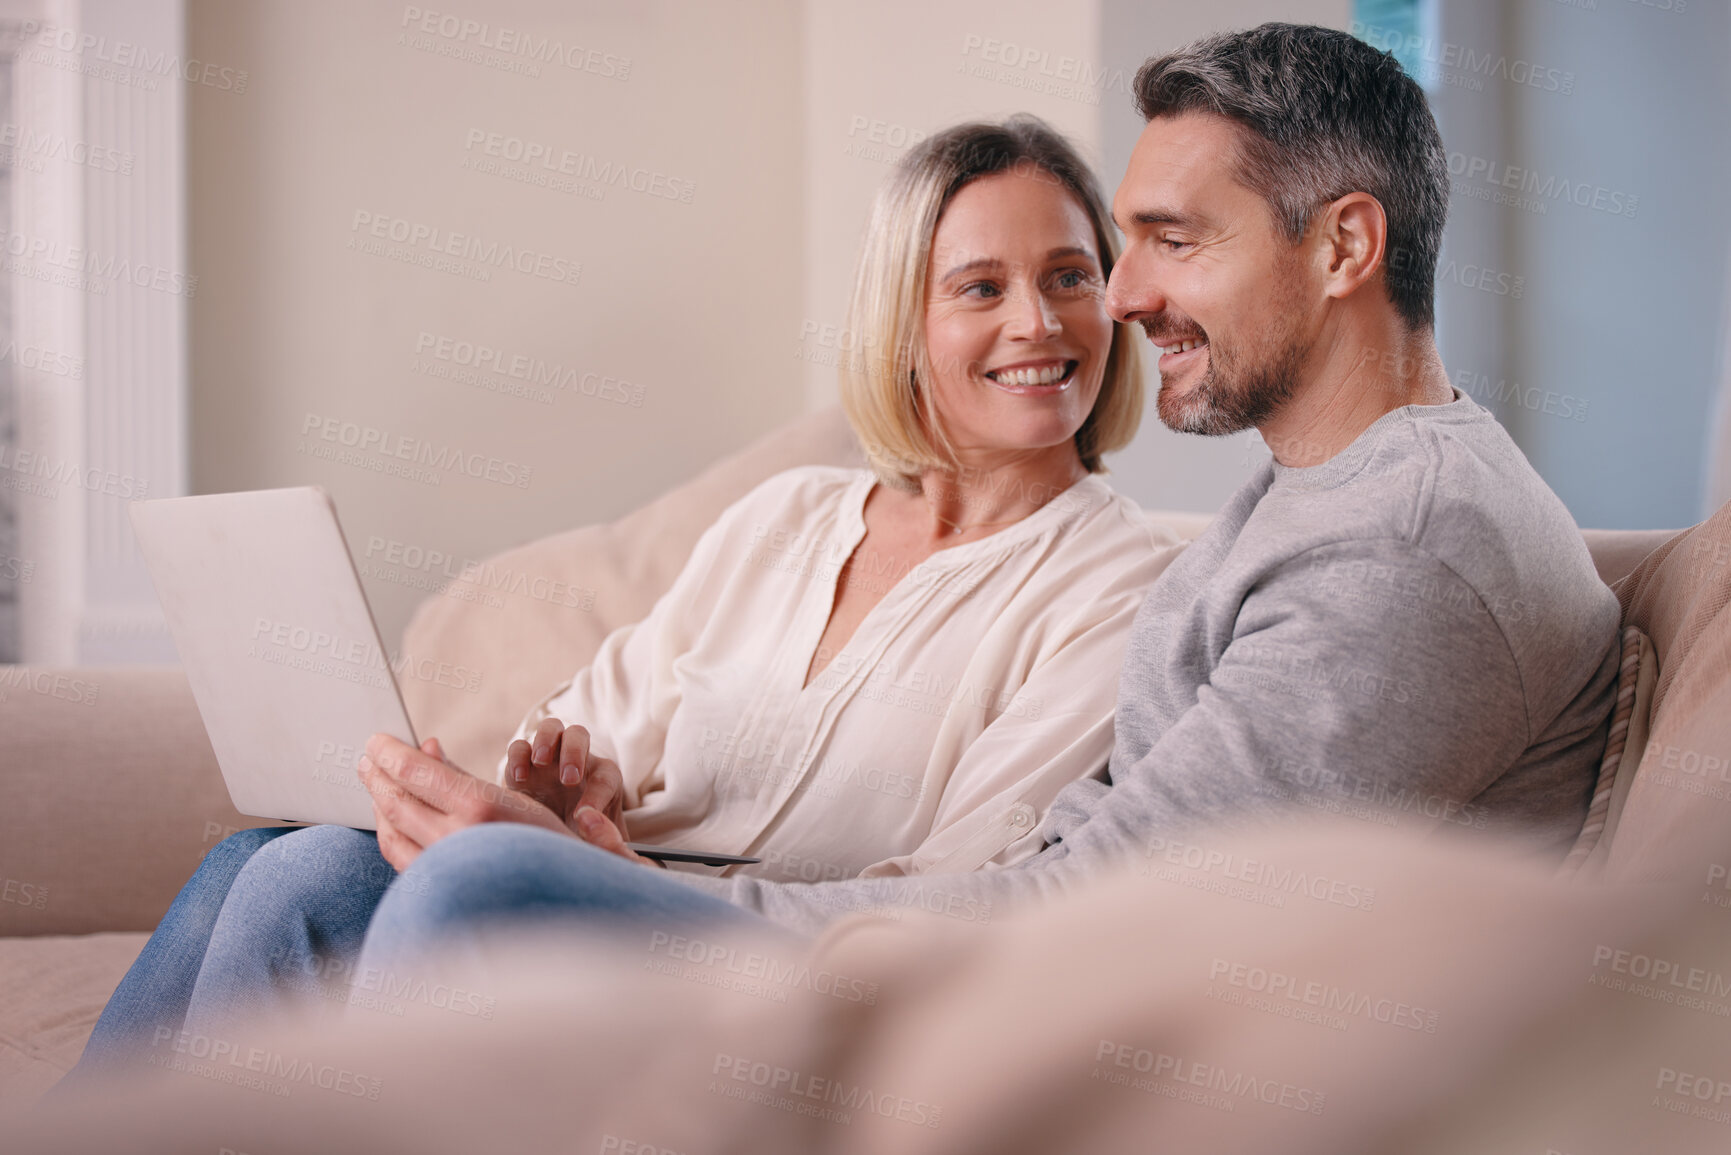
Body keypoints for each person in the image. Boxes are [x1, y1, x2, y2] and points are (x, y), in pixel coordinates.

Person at [324, 21, 1620, 941]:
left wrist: (664, 900)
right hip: (979, 963)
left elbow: (1111, 915)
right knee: (309, 873)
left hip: (1023, 1014)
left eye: (1166, 243)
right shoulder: (1321, 499)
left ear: (1343, 244)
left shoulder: (1402, 546)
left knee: (462, 894)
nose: (1116, 299)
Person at [64, 116, 1183, 1083]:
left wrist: (611, 876)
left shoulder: (1119, 579)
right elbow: (603, 717)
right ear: (903, 327)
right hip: (586, 893)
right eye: (982, 287)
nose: (1040, 323)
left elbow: (967, 890)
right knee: (261, 856)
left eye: (1071, 277)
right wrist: (558, 797)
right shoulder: (786, 515)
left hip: (746, 966)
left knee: (313, 874)